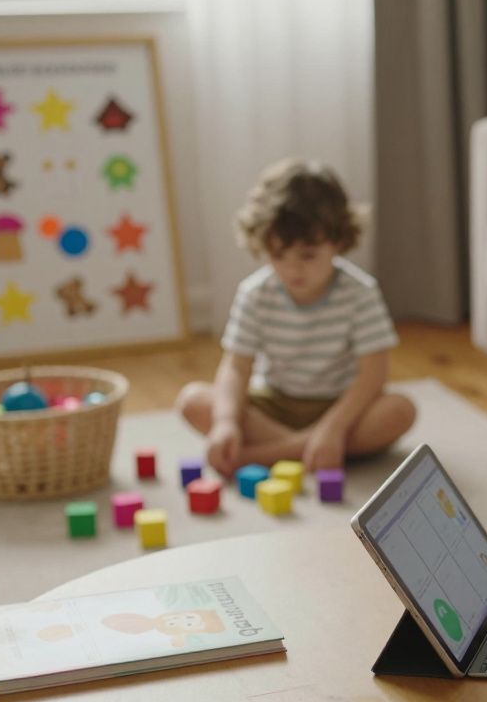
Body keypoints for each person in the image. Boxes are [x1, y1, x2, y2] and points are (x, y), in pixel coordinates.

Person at [176, 159, 416, 476]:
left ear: (339, 240)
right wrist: (225, 423)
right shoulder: (255, 293)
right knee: (192, 400)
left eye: (307, 255)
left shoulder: (360, 293)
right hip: (273, 406)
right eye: (278, 255)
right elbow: (236, 366)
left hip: (339, 407)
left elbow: (373, 376)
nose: (292, 269)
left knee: (399, 411)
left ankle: (267, 455)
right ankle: (310, 450)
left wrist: (332, 428)